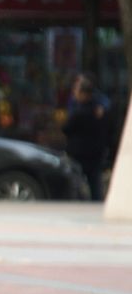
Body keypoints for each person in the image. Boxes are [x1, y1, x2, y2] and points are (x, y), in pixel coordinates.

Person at [63, 72, 110, 201]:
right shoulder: (98, 109)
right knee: (94, 185)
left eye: (77, 90)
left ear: (84, 93)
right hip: (95, 153)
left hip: (79, 153)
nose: (74, 93)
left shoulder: (82, 112)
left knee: (76, 185)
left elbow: (66, 128)